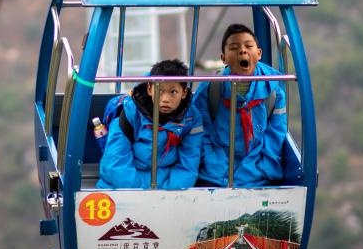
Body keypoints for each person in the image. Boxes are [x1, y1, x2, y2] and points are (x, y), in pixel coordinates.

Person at [193, 23, 286, 187]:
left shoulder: (273, 92)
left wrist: (260, 170)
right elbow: (200, 132)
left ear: (258, 54)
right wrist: (214, 167)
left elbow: (275, 137)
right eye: (234, 47)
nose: (242, 51)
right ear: (224, 58)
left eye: (248, 46)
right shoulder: (210, 89)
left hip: (257, 174)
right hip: (215, 174)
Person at [98, 59, 203, 189]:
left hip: (166, 184)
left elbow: (188, 164)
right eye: (159, 90)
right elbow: (116, 163)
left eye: (173, 92)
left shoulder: (191, 119)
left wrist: (170, 194)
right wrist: (143, 195)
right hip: (123, 185)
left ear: (184, 93)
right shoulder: (130, 113)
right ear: (149, 89)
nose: (165, 99)